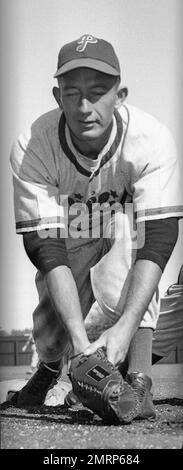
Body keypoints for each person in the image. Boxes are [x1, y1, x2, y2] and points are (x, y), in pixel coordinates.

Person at [9, 34, 183, 419]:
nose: (84, 106)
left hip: (127, 229)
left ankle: (139, 377)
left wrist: (122, 331)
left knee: (129, 231)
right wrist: (79, 347)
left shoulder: (150, 139)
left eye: (98, 91)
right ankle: (52, 367)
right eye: (72, 93)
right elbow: (46, 249)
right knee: (56, 314)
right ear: (58, 97)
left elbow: (158, 239)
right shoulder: (33, 145)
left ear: (120, 95)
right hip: (70, 233)